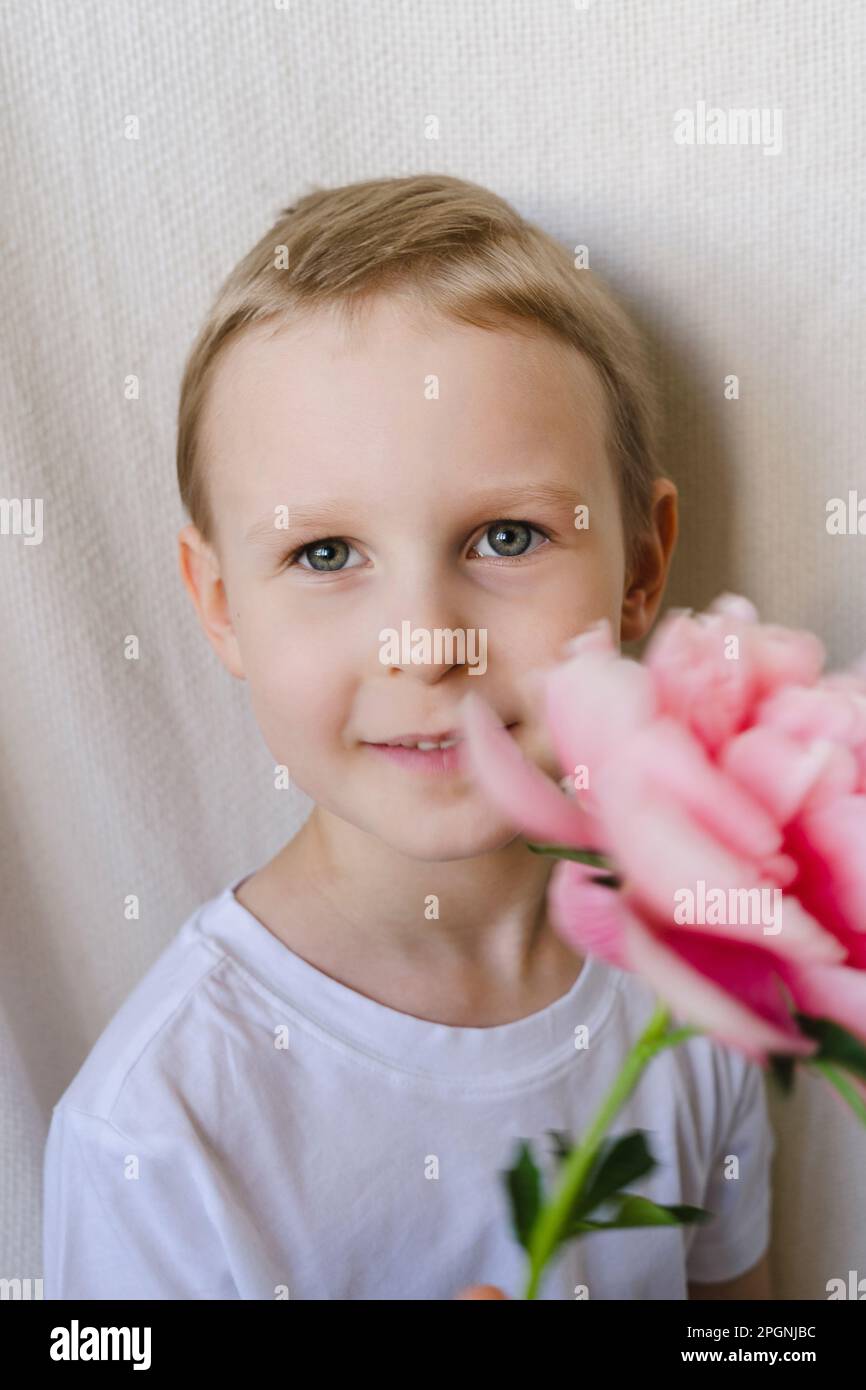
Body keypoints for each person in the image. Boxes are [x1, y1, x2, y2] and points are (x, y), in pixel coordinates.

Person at [43, 173, 774, 1300]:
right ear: (221, 601)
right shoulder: (157, 1128)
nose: (428, 645)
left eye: (504, 534)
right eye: (326, 553)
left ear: (637, 568)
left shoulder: (693, 976)